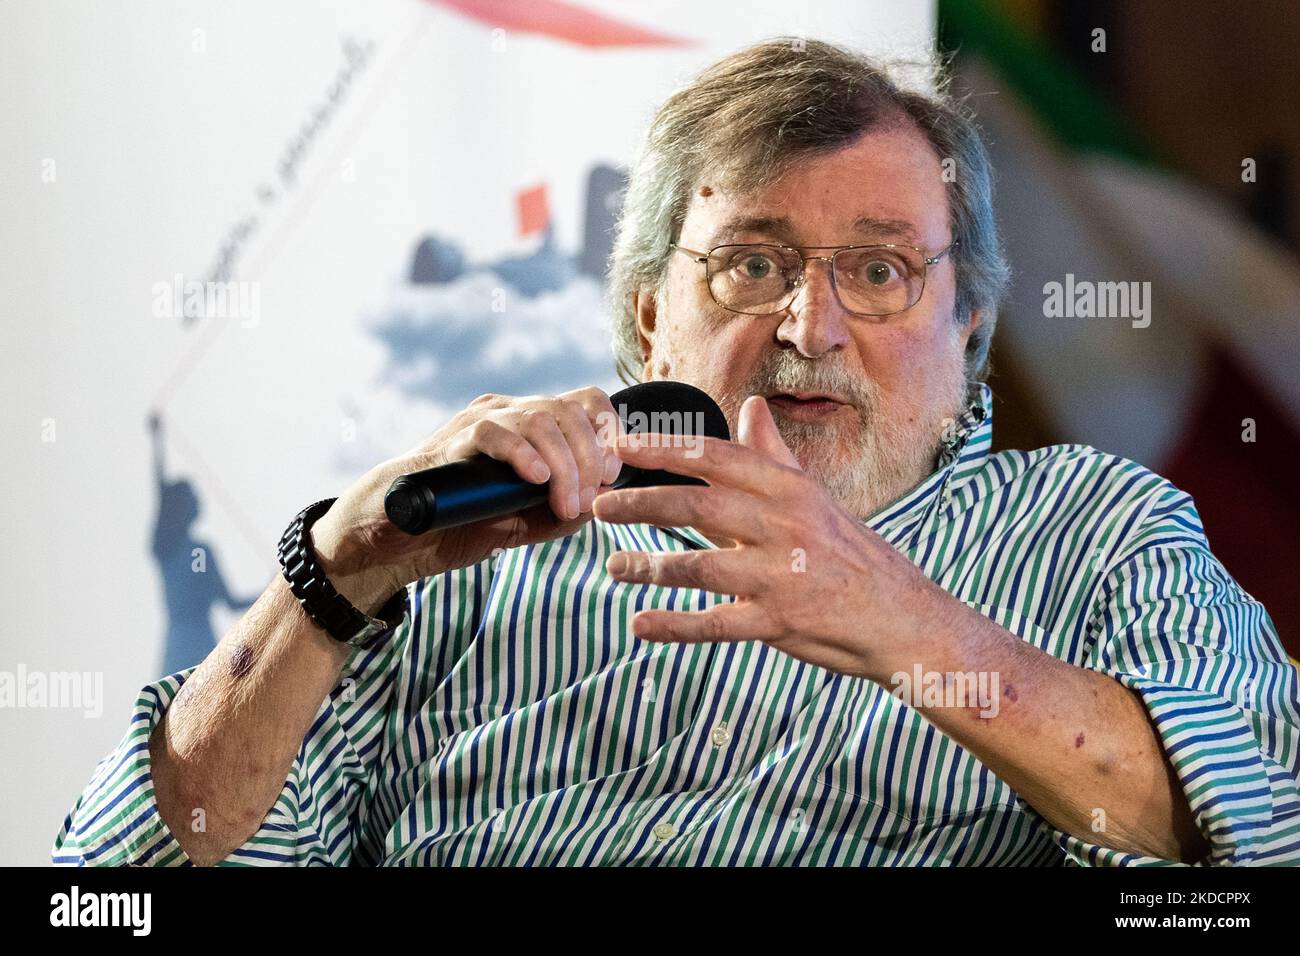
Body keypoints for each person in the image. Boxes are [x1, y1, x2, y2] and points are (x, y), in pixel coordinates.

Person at [54, 38, 1300, 866]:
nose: (810, 326)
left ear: (966, 323)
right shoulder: (471, 546)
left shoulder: (1094, 532)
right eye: (752, 264)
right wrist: (330, 570)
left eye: (876, 271)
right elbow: (116, 886)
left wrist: (903, 620)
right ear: (650, 308)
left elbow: (1262, 828)